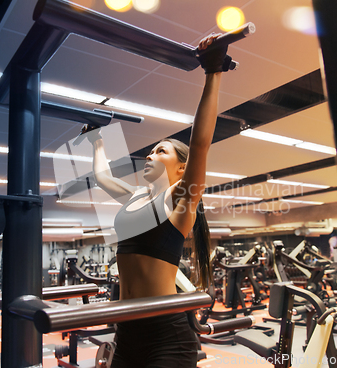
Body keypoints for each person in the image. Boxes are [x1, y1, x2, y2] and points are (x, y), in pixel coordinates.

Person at [80, 34, 234, 368]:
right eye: (151, 149)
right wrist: (96, 142)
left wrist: (213, 72)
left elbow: (201, 143)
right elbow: (104, 178)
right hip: (125, 330)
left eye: (160, 150)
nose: (150, 154)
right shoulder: (136, 198)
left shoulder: (180, 203)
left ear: (181, 168)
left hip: (166, 334)